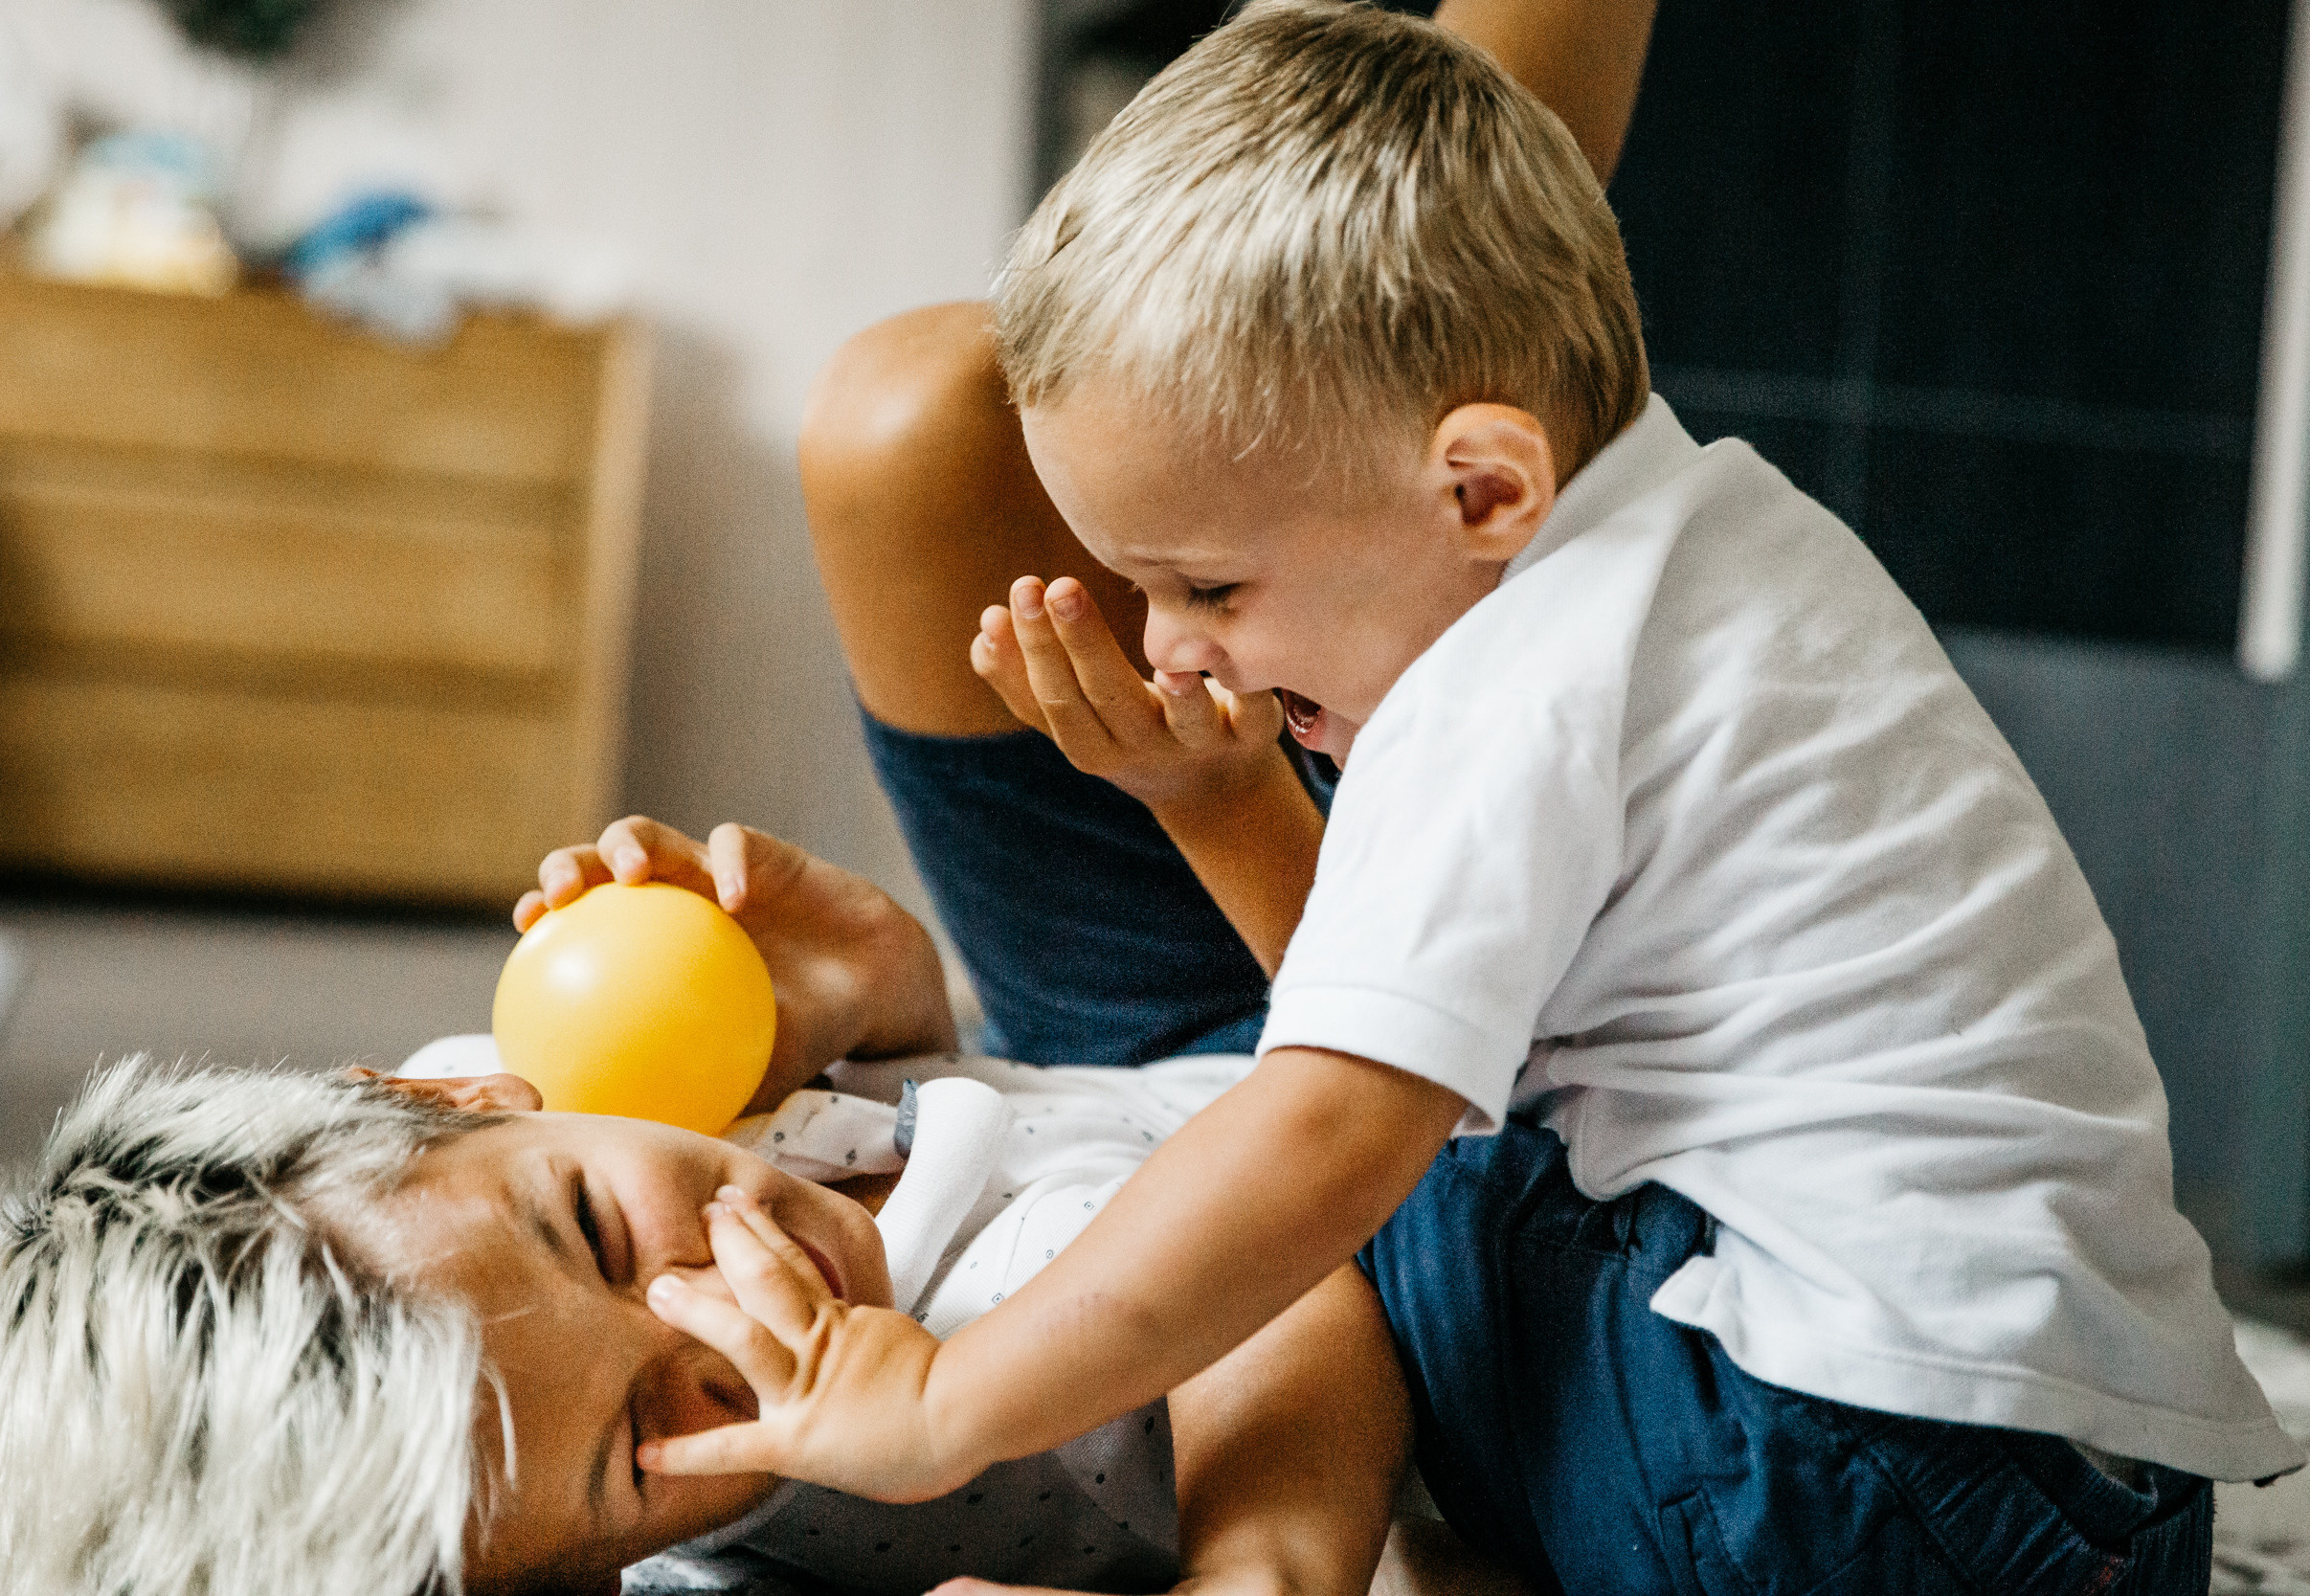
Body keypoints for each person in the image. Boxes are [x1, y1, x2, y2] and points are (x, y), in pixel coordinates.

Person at [589, 5, 2301, 1592]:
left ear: (1482, 483)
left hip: (1830, 1473)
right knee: (1384, 1168)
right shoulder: (1703, 540)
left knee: (1292, 1198)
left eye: (1210, 587)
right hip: (2087, 1503)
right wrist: (1222, 796)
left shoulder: (1506, 690)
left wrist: (948, 1403)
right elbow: (1431, 1041)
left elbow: (1338, 1135)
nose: (1179, 652)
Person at [0, 824, 1430, 1596]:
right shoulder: (959, 1408)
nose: (726, 1286)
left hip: (1130, 1055)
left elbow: (976, 1105)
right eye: (656, 1436)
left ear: (452, 1104)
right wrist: (1266, 1576)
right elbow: (1291, 1286)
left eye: (590, 1229)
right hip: (1398, 1149)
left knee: (899, 423)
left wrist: (872, 1015)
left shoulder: (485, 1105)